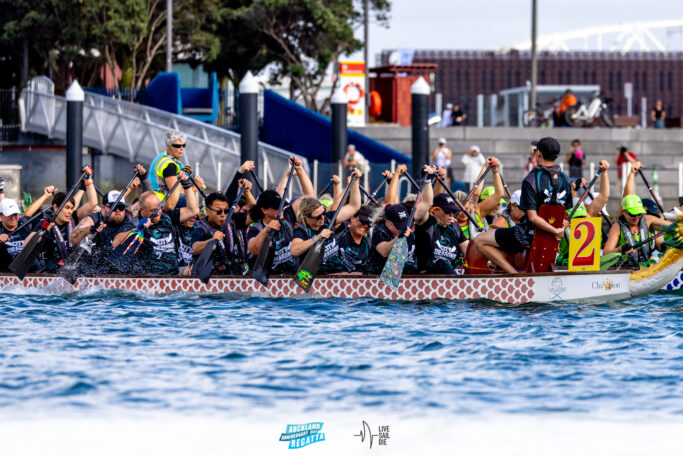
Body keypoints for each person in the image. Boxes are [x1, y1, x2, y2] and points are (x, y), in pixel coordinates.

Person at [474, 137, 572, 274]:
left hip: (527, 235)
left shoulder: (531, 180)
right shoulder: (565, 179)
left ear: (538, 153)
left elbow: (532, 217)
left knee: (479, 240)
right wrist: (557, 230)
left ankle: (514, 274)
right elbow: (566, 215)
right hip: (551, 238)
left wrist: (555, 231)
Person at [112, 173, 199, 275]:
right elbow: (115, 242)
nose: (158, 213)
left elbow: (193, 210)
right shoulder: (134, 223)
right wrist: (138, 229)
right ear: (142, 210)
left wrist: (186, 185)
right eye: (153, 210)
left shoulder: (167, 217)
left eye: (159, 208)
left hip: (174, 273)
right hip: (150, 276)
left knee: (196, 271)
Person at [247, 158, 316, 275]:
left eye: (281, 206)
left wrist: (300, 170)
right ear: (264, 210)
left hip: (290, 276)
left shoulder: (287, 215)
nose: (281, 210)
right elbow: (253, 250)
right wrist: (267, 230)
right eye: (275, 208)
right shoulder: (257, 228)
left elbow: (309, 197)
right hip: (266, 279)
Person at [290, 170, 362, 274]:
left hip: (336, 275)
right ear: (306, 217)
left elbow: (354, 206)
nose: (322, 218)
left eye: (323, 212)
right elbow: (294, 250)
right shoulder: (302, 230)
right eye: (318, 217)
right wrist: (317, 237)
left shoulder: (329, 219)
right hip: (314, 279)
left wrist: (355, 183)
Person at [192, 185, 253, 276]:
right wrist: (212, 240)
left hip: (236, 274)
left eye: (226, 211)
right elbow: (195, 248)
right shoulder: (201, 228)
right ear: (208, 210)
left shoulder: (234, 220)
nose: (223, 215)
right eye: (219, 211)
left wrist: (247, 192)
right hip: (212, 277)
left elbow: (257, 214)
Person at [414, 179, 470, 274]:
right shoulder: (426, 222)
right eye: (448, 211)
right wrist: (427, 181)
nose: (451, 215)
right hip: (425, 277)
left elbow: (469, 252)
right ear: (435, 210)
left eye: (453, 211)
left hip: (448, 278)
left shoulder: (455, 228)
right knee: (445, 269)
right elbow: (426, 202)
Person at [603, 195, 670, 268]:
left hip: (646, 270)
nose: (636, 218)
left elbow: (672, 226)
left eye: (639, 214)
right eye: (633, 214)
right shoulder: (617, 228)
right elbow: (606, 254)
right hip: (625, 270)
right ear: (624, 212)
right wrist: (620, 249)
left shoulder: (648, 220)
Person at [149, 131, 205, 205]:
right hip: (161, 202)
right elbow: (175, 193)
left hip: (153, 198)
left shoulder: (163, 156)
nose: (182, 149)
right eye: (178, 146)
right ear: (169, 146)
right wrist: (195, 188)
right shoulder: (170, 165)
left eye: (183, 145)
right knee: (189, 202)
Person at [336, 205, 373, 273]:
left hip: (359, 281)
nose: (366, 226)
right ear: (352, 218)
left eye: (369, 224)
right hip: (335, 280)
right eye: (363, 221)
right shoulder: (339, 231)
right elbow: (335, 213)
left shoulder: (368, 243)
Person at [0, 199, 34, 271]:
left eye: (15, 214)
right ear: (1, 215)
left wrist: (46, 196)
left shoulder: (26, 224)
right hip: (6, 275)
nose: (13, 218)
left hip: (31, 272)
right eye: (9, 214)